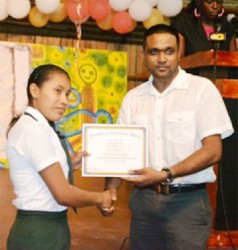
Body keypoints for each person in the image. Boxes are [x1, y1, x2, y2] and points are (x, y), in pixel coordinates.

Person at [99, 24, 234, 249]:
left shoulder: (201, 90)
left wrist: (165, 174)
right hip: (144, 202)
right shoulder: (133, 98)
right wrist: (110, 189)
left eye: (168, 51)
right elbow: (119, 154)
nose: (162, 58)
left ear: (179, 52)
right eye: (154, 52)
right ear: (144, 55)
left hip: (187, 204)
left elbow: (213, 150)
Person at [6, 64, 115, 250]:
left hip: (49, 228)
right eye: (57, 91)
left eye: (68, 94)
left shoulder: (38, 126)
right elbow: (63, 194)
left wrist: (69, 165)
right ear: (35, 90)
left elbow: (37, 173)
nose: (65, 101)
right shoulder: (33, 129)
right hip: (39, 234)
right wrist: (100, 198)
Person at [171, 0, 237, 58]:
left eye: (219, 1)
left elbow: (234, 62)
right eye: (210, 2)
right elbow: (178, 62)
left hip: (222, 71)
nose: (215, 6)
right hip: (192, 71)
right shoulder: (183, 23)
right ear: (199, 2)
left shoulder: (227, 26)